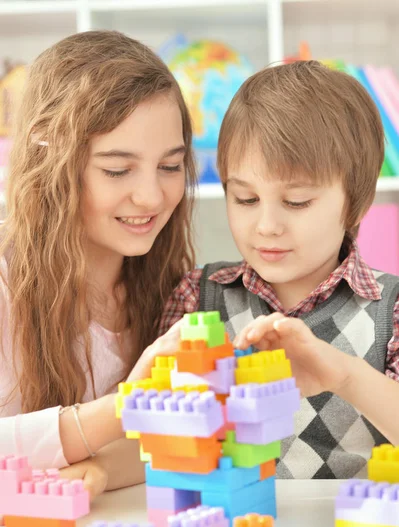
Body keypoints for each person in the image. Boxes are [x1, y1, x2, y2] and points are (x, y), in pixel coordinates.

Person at [160, 60, 399, 479]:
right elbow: (154, 433)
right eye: (246, 199)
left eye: (297, 202)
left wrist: (344, 375)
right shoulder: (196, 298)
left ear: (357, 204)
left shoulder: (390, 311)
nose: (266, 226)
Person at [0, 30, 196, 498]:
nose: (151, 196)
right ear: (51, 159)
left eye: (170, 166)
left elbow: (175, 441)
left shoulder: (170, 285)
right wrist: (123, 408)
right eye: (116, 169)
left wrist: (103, 469)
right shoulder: (8, 289)